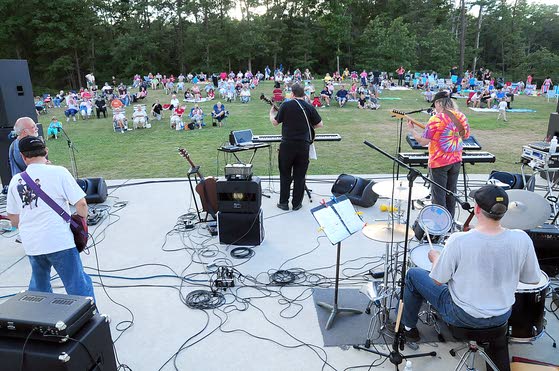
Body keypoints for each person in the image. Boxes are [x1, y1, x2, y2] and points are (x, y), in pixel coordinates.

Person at [400, 185, 540, 370]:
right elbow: (533, 279)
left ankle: (409, 329)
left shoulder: (459, 240)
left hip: (463, 317)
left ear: (477, 209)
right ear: (504, 212)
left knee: (413, 275)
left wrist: (435, 259)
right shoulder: (522, 238)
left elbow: (438, 280)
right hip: (501, 316)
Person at [6, 136, 94, 299]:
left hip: (32, 244)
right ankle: (90, 319)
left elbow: (13, 217)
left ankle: (42, 320)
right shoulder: (59, 172)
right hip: (59, 240)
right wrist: (81, 224)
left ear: (23, 157)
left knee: (40, 288)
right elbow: (81, 204)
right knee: (77, 285)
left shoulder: (15, 181)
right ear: (46, 151)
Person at [407, 91, 470, 219]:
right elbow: (466, 136)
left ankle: (440, 225)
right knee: (451, 193)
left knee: (439, 196)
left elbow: (423, 142)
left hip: (439, 163)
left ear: (438, 103)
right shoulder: (461, 116)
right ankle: (450, 222)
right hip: (456, 160)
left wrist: (412, 130)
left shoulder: (436, 119)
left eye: (435, 104)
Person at [269, 83, 323, 211]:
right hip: (303, 146)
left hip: (287, 145)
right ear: (303, 94)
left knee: (285, 174)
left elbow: (275, 122)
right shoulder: (308, 107)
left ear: (292, 94)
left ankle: (283, 203)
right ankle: (297, 204)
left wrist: (271, 113)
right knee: (300, 175)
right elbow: (320, 124)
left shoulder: (286, 105)